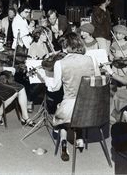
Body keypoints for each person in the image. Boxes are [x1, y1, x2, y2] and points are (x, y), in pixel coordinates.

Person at [37, 32, 100, 162]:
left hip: (70, 109)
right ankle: (80, 137)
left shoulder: (60, 63)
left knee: (61, 110)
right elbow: (98, 81)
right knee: (75, 108)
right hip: (91, 108)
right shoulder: (91, 59)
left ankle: (63, 143)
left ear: (66, 47)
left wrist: (44, 76)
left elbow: (54, 88)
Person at [0, 29, 35, 127]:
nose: (3, 44)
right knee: (14, 92)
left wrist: (23, 70)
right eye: (1, 42)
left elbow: (11, 66)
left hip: (2, 80)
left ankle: (25, 117)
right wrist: (4, 68)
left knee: (21, 88)